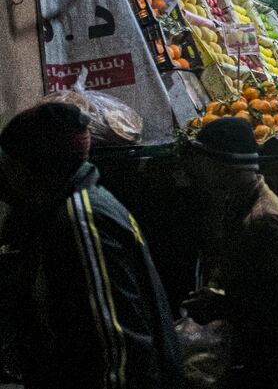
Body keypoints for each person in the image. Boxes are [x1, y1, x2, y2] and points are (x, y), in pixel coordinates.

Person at [0, 103, 182, 388]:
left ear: (33, 166)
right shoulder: (73, 207)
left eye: (8, 161)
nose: (5, 171)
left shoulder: (82, 219)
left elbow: (118, 344)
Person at [185, 118, 278, 388]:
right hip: (273, 354)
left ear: (224, 164)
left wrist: (221, 307)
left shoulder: (263, 220)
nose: (199, 169)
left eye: (205, 161)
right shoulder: (241, 205)